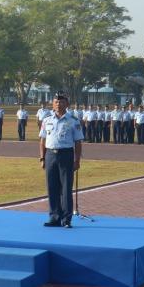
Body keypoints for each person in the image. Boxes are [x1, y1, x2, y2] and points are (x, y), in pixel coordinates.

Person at [38, 94, 85, 228]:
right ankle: (54, 217)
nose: (58, 104)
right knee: (52, 188)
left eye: (62, 102)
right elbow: (42, 140)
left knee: (65, 188)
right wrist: (42, 158)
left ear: (67, 104)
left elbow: (78, 142)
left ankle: (66, 219)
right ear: (53, 104)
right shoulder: (47, 120)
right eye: (56, 102)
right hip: (50, 155)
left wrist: (77, 160)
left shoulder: (73, 120)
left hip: (66, 155)